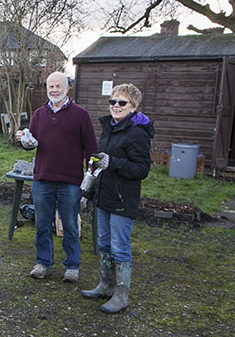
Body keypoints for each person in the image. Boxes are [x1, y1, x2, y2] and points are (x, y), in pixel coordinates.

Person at [15, 71, 97, 283]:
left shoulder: (81, 114)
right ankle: (43, 263)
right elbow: (30, 142)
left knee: (70, 224)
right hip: (42, 179)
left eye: (58, 86)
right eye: (50, 86)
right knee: (42, 224)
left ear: (67, 88)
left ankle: (72, 265)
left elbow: (92, 150)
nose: (54, 90)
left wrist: (90, 179)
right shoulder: (39, 114)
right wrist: (23, 141)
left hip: (70, 181)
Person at [81, 83, 153, 314]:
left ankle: (121, 294)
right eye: (113, 102)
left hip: (123, 200)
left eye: (122, 103)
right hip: (104, 197)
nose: (116, 106)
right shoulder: (109, 129)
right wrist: (88, 191)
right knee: (103, 244)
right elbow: (99, 162)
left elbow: (142, 169)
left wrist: (114, 163)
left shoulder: (137, 134)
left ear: (133, 107)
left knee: (119, 247)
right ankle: (106, 285)